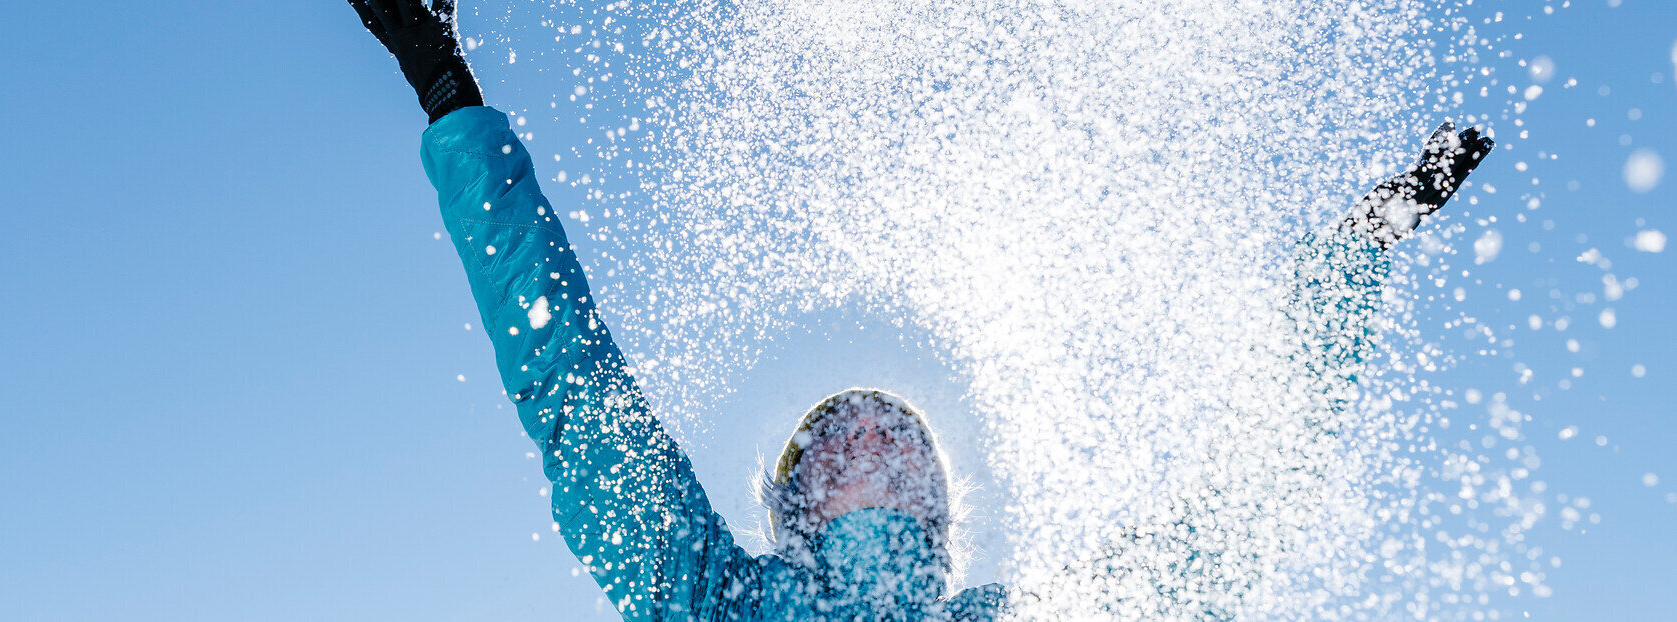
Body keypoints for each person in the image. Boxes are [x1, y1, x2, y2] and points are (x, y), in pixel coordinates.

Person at [346, 2, 1491, 620]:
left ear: (943, 507)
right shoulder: (708, 599)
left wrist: (1350, 258)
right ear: (794, 502)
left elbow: (1244, 514)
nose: (878, 424)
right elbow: (572, 388)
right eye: (839, 427)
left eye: (900, 431)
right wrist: (450, 96)